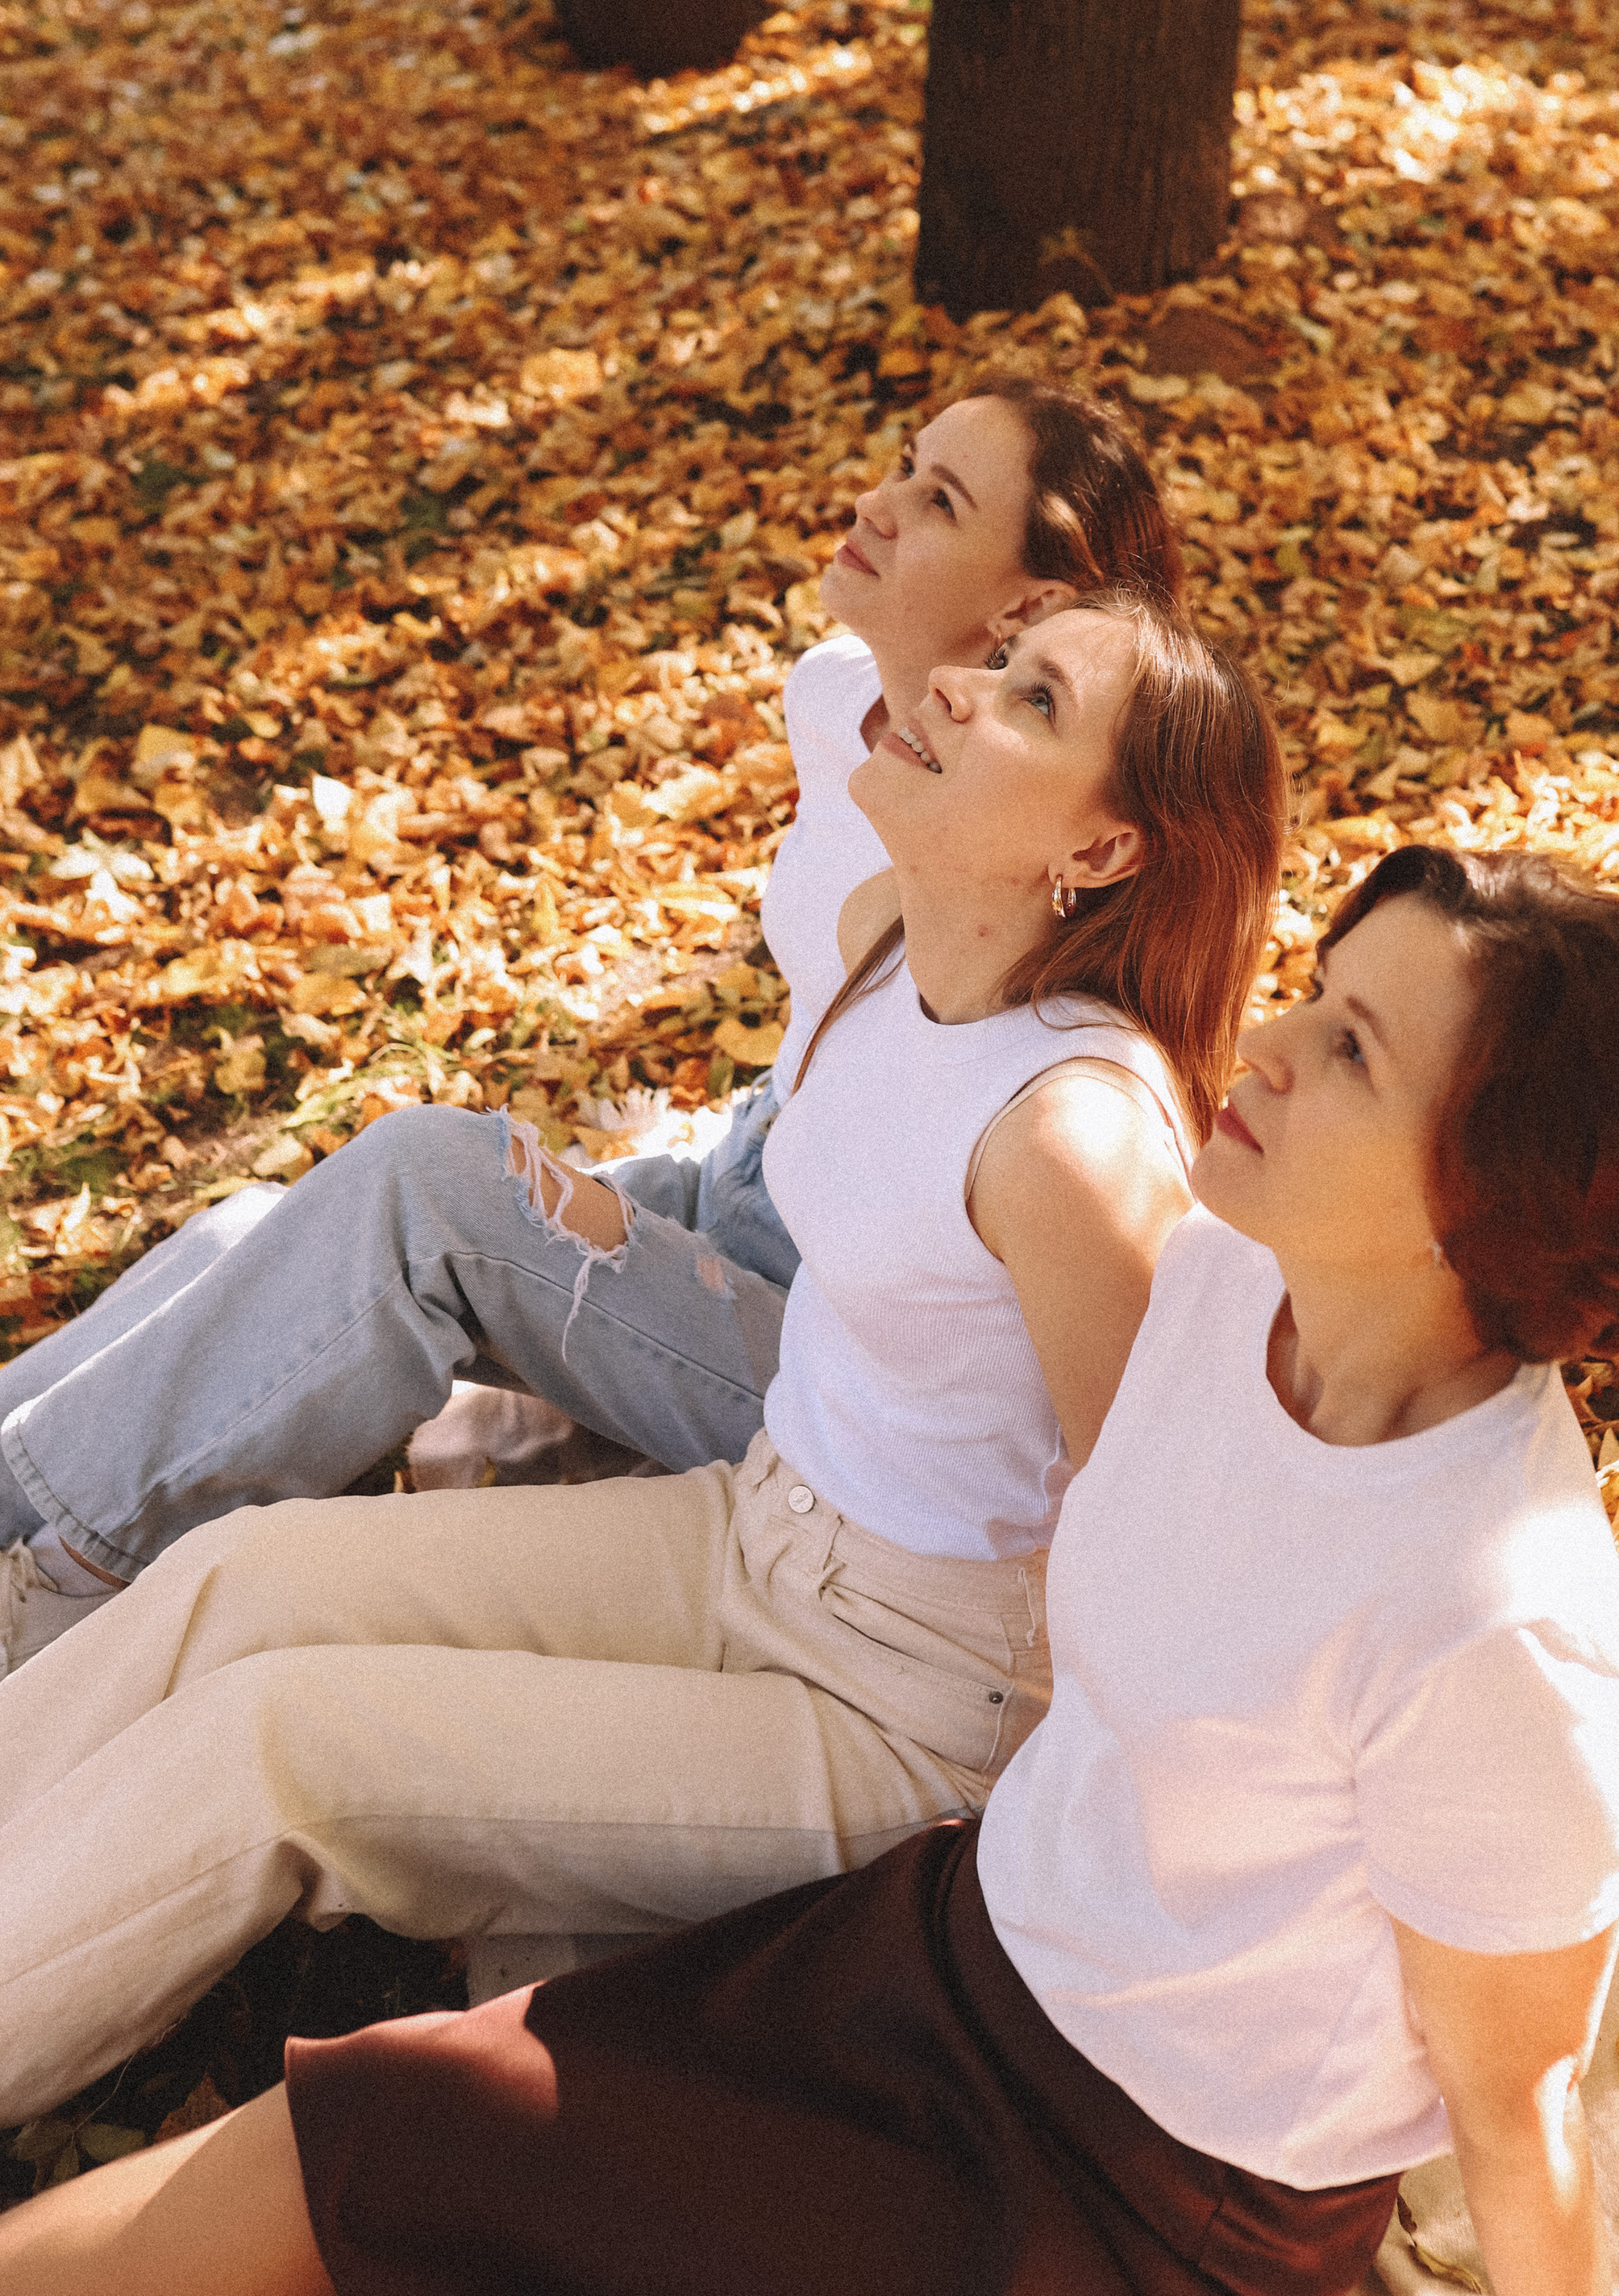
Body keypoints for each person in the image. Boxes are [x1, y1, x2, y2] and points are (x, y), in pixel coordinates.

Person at [0, 843, 1619, 2296]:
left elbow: (1510, 2116)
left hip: (1133, 2195)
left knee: (399, 2161)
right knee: (372, 2124)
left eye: (1355, 1050)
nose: (1271, 1044)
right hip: (938, 1957)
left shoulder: (1500, 1627)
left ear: (1487, 1201)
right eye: (1314, 988)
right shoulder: (1218, 1295)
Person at [0, 591, 1285, 2126]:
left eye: (1032, 701)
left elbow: (1176, 1544)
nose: (952, 687)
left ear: (1103, 852)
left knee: (283, 1743)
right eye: (996, 661)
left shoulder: (1073, 1141)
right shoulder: (889, 945)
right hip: (749, 1527)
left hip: (909, 1714)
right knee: (249, 1577)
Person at [0, 376, 1183, 1666]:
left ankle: (55, 1573)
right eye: (903, 465)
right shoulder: (835, 695)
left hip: (839, 1341)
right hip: (748, 1162)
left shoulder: (1015, 878)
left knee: (424, 1193)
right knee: (258, 1232)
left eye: (938, 501)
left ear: (1029, 608)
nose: (875, 505)